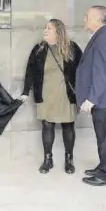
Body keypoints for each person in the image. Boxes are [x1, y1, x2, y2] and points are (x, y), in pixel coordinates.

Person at [21, 19, 83, 174]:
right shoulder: (39, 49)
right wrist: (25, 91)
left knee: (68, 126)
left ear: (58, 31)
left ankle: (69, 160)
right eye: (45, 28)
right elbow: (30, 71)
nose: (45, 30)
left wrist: (86, 93)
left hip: (65, 95)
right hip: (46, 95)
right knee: (47, 125)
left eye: (49, 28)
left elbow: (83, 70)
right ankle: (47, 160)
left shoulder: (72, 48)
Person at [75, 6, 106, 187]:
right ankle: (103, 167)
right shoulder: (101, 36)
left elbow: (101, 71)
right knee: (102, 137)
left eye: (87, 16)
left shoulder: (103, 38)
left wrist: (92, 99)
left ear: (97, 18)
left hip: (104, 99)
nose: (84, 19)